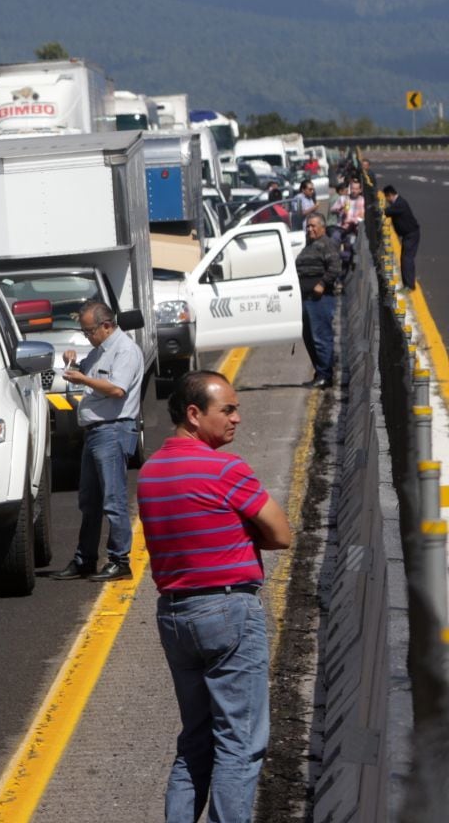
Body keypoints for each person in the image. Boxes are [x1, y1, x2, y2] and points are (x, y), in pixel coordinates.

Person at [138, 371, 291, 823]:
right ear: (194, 414)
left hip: (175, 616)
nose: (237, 419)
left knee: (196, 740)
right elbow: (281, 533)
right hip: (228, 612)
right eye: (227, 410)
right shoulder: (225, 469)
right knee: (239, 742)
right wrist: (243, 535)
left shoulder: (150, 473)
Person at [51, 300, 145, 583]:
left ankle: (119, 560)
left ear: (106, 326)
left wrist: (83, 378)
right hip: (95, 431)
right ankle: (85, 559)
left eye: (89, 331)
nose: (87, 337)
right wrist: (72, 363)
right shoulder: (99, 351)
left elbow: (116, 389)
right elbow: (86, 375)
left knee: (113, 499)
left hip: (113, 430)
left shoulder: (125, 350)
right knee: (89, 500)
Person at [296, 216, 342, 388]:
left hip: (320, 299)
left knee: (321, 337)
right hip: (306, 299)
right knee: (309, 338)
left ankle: (325, 375)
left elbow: (335, 267)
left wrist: (322, 284)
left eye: (313, 226)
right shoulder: (309, 245)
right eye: (308, 226)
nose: (310, 229)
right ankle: (320, 372)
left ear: (322, 228)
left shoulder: (326, 244)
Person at [384, 184, 421, 291]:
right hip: (408, 235)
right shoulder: (399, 202)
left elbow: (387, 211)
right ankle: (407, 284)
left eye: (387, 198)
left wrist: (379, 210)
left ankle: (409, 285)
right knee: (405, 259)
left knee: (407, 259)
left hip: (411, 235)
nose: (387, 200)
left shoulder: (400, 203)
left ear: (390, 195)